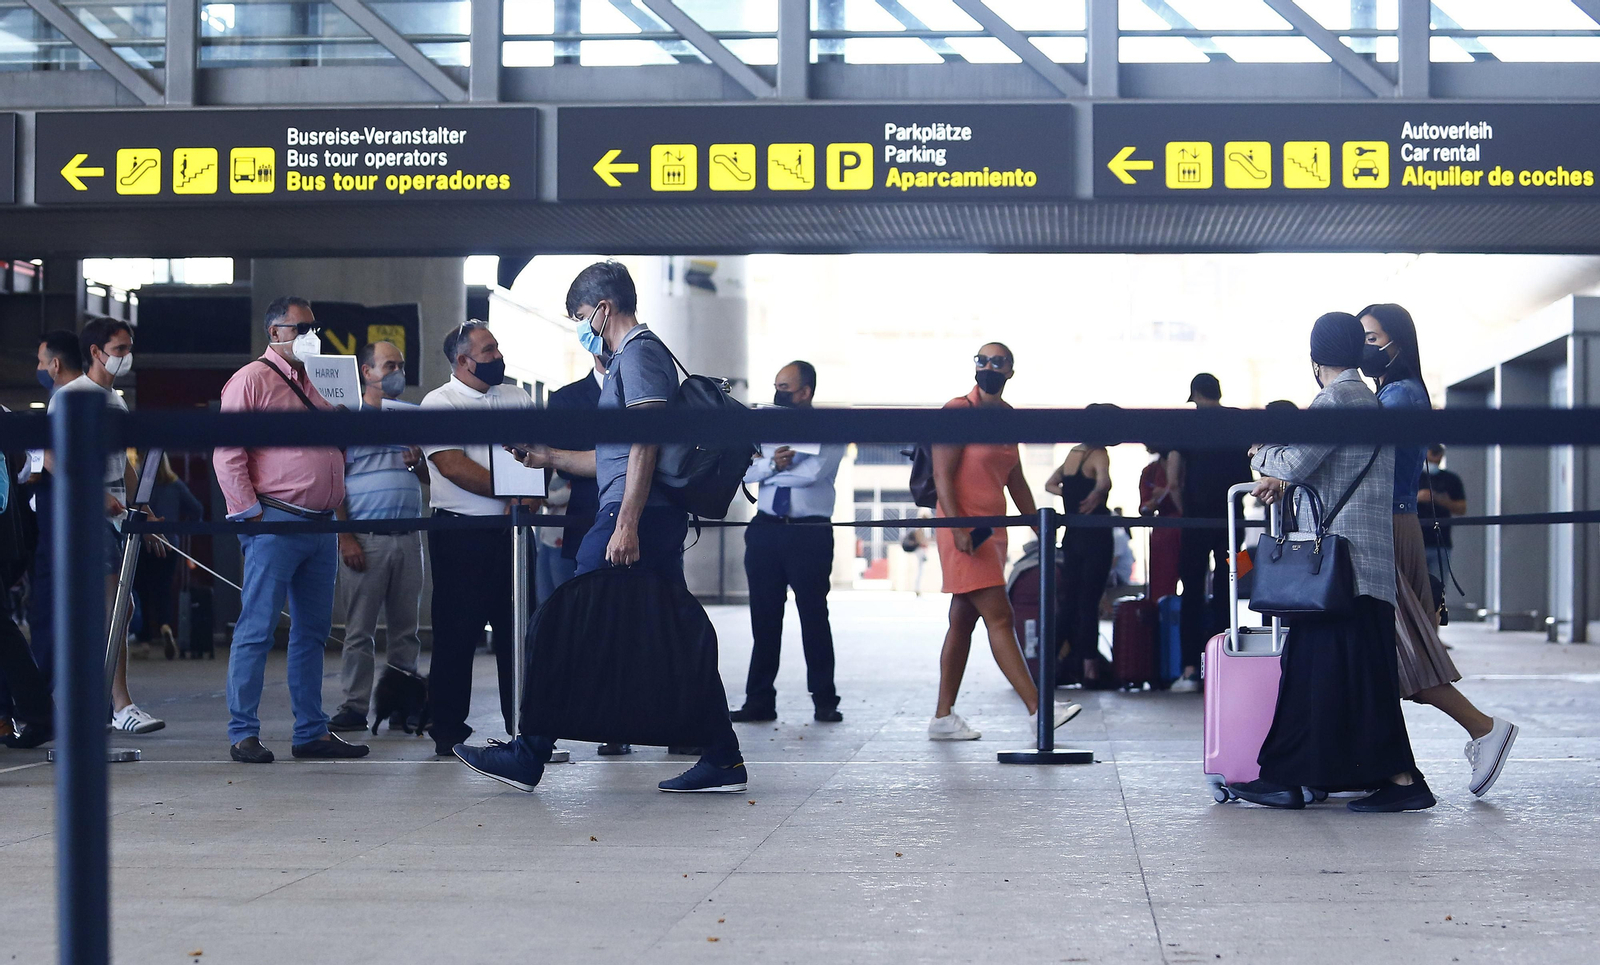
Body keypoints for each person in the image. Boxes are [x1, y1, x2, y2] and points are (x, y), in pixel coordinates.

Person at [454, 260, 749, 793]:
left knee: (566, 622)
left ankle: (528, 753)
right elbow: (614, 456)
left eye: (580, 315)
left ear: (604, 309)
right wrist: (551, 458)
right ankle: (722, 755)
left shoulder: (638, 354)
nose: (580, 325)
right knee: (675, 636)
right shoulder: (629, 360)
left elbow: (645, 443)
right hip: (646, 516)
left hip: (632, 517)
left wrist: (627, 523)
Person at [1234, 311, 1432, 812]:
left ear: (1315, 356)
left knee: (1329, 673)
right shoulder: (1367, 398)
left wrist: (1260, 451)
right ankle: (1306, 777)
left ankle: (1394, 782)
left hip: (1339, 567)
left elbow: (1293, 464)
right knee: (1337, 675)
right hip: (1360, 567)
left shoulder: (1337, 399)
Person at [1359, 303, 1517, 796]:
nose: (1365, 347)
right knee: (1392, 654)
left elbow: (1368, 459)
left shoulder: (1401, 395)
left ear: (1397, 342)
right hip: (1393, 520)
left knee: (1404, 653)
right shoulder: (1394, 391)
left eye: (1371, 337)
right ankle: (1386, 767)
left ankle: (1484, 729)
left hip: (1388, 523)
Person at [213, 296, 368, 763]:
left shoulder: (323, 379)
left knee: (313, 632)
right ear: (275, 332)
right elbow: (228, 451)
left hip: (320, 525)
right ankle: (243, 732)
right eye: (301, 328)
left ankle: (311, 731)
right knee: (257, 628)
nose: (311, 336)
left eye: (315, 327)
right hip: (275, 520)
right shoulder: (251, 380)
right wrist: (250, 516)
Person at [928, 344, 1080, 741]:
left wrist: (1038, 525)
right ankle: (1038, 708)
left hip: (993, 530)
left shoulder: (1009, 417)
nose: (989, 367)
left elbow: (1015, 478)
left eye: (998, 362)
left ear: (1011, 370)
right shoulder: (958, 411)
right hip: (963, 529)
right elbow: (942, 474)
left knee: (962, 620)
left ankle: (943, 718)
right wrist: (959, 527)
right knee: (1000, 616)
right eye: (982, 360)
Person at [418, 321, 536, 757]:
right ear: (463, 361)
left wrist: (527, 498)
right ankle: (447, 729)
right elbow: (451, 465)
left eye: (497, 347)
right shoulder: (439, 403)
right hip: (460, 533)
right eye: (489, 350)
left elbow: (536, 453)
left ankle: (523, 724)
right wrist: (512, 492)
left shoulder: (515, 397)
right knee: (456, 632)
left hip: (514, 532)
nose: (498, 355)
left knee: (518, 630)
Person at [49, 317, 165, 734]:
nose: (126, 357)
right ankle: (119, 705)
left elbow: (125, 466)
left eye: (128, 348)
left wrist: (144, 511)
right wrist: (95, 497)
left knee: (117, 608)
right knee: (113, 608)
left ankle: (92, 703)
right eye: (119, 350)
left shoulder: (115, 401)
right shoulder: (70, 397)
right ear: (96, 352)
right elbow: (51, 458)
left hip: (119, 520)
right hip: (85, 516)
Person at [731, 361, 846, 725]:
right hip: (766, 530)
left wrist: (770, 466)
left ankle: (824, 699)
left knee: (813, 615)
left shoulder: (828, 428)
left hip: (808, 532)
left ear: (806, 392)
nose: (778, 392)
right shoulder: (765, 426)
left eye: (786, 386)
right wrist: (772, 466)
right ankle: (759, 699)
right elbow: (744, 471)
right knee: (764, 618)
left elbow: (815, 474)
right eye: (776, 385)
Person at [328, 340, 429, 733]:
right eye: (388, 365)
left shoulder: (410, 418)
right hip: (364, 538)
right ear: (366, 373)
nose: (396, 373)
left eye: (400, 365)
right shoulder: (348, 419)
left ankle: (402, 706)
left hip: (408, 535)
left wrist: (417, 462)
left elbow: (428, 478)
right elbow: (333, 478)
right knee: (360, 630)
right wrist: (345, 536)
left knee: (407, 631)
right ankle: (354, 705)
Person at [1167, 373, 1253, 693]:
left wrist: (1183, 508)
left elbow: (1174, 478)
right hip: (1234, 519)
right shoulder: (1240, 421)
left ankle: (1190, 668)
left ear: (1195, 396)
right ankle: (1225, 661)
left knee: (1190, 588)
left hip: (1196, 521)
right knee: (1230, 584)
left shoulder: (1187, 425)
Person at [24, 331, 85, 687]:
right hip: (74, 514)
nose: (38, 368)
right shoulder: (95, 394)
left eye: (41, 362)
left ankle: (47, 695)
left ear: (56, 365)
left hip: (62, 517)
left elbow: (58, 460)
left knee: (50, 608)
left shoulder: (65, 399)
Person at [1044, 408, 1114, 686]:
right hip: (1096, 535)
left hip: (1072, 536)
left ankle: (1049, 666)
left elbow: (1050, 484)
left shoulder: (1073, 454)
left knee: (1068, 602)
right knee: (1089, 603)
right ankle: (1089, 670)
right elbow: (1104, 481)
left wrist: (1071, 495)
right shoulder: (1098, 454)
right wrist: (1096, 494)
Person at [132, 453, 204, 658]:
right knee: (163, 589)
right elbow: (197, 509)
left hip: (143, 543)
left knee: (143, 592)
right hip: (169, 544)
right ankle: (165, 626)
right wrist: (184, 529)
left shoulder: (140, 487)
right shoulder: (176, 484)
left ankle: (145, 641)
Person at [1419, 444, 1467, 587]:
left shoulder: (1451, 479)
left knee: (1437, 589)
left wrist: (1441, 500)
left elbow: (1461, 509)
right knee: (1412, 589)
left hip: (1440, 542)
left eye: (1437, 453)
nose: (1434, 456)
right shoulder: (1412, 477)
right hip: (1416, 540)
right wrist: (1418, 498)